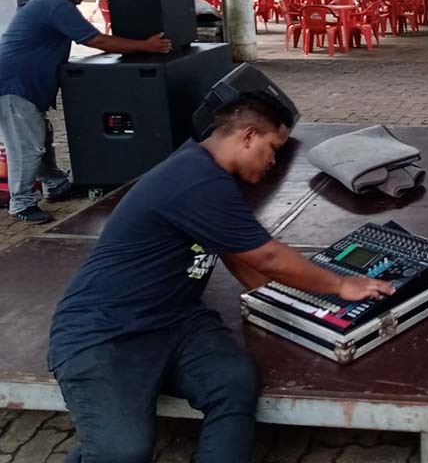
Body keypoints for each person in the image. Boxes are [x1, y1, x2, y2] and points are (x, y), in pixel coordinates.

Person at [48, 94, 395, 463]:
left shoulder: (207, 172)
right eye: (272, 148)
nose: (274, 160)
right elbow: (268, 257)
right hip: (105, 331)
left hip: (176, 319)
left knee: (233, 382)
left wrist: (285, 307)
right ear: (247, 136)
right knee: (123, 451)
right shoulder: (195, 180)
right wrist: (341, 285)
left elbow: (238, 257)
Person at [0, 0, 171, 224]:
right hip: (14, 85)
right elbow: (96, 40)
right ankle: (21, 202)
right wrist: (146, 46)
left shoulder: (53, 4)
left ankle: (55, 185)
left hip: (27, 86)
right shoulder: (54, 5)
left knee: (40, 138)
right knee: (28, 146)